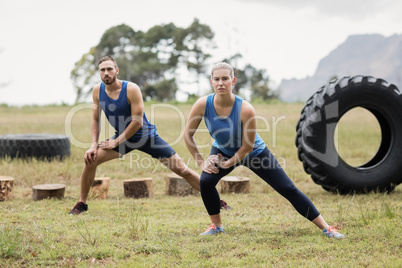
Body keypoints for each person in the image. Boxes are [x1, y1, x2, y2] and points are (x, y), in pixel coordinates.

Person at [184, 62, 345, 238]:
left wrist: (227, 163)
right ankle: (217, 226)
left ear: (233, 81)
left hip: (254, 153)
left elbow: (247, 147)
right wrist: (202, 162)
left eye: (225, 78)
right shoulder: (202, 104)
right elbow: (187, 135)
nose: (221, 83)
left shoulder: (245, 109)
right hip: (222, 150)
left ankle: (326, 228)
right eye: (217, 79)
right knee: (206, 181)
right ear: (211, 82)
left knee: (287, 188)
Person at [69, 55, 227, 215]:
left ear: (117, 70)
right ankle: (82, 203)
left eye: (110, 69)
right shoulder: (97, 91)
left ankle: (217, 201)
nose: (106, 73)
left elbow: (137, 122)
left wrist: (115, 141)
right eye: (102, 70)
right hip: (123, 138)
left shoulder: (131, 89)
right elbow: (95, 119)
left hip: (146, 136)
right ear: (99, 73)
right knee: (90, 160)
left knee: (182, 170)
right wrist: (93, 145)